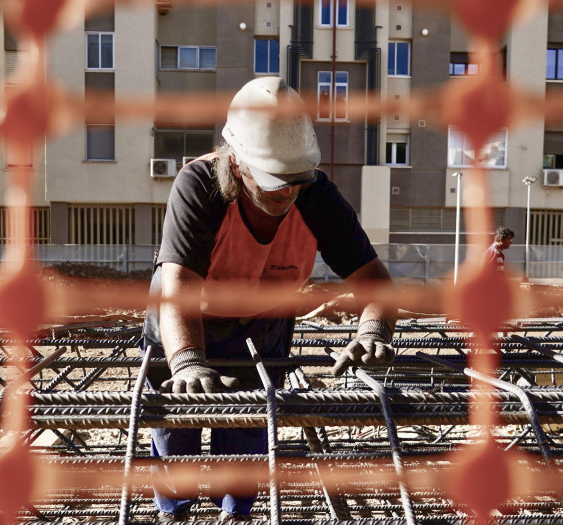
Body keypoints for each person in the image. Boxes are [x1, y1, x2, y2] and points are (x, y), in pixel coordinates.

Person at [140, 77, 397, 522]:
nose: (287, 193)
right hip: (185, 320)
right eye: (274, 182)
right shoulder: (200, 184)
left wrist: (372, 330)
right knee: (175, 428)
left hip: (261, 325)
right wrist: (186, 361)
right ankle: (174, 512)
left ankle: (236, 514)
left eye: (294, 182)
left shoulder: (314, 193)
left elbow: (375, 280)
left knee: (248, 432)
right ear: (238, 165)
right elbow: (178, 281)